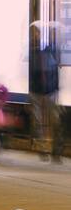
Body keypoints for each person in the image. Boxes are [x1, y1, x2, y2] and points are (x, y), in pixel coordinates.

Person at [30, 25, 62, 163]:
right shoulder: (33, 51)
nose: (35, 36)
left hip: (50, 90)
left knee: (56, 121)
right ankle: (43, 149)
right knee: (38, 123)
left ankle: (55, 151)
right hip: (37, 90)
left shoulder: (53, 50)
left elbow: (55, 70)